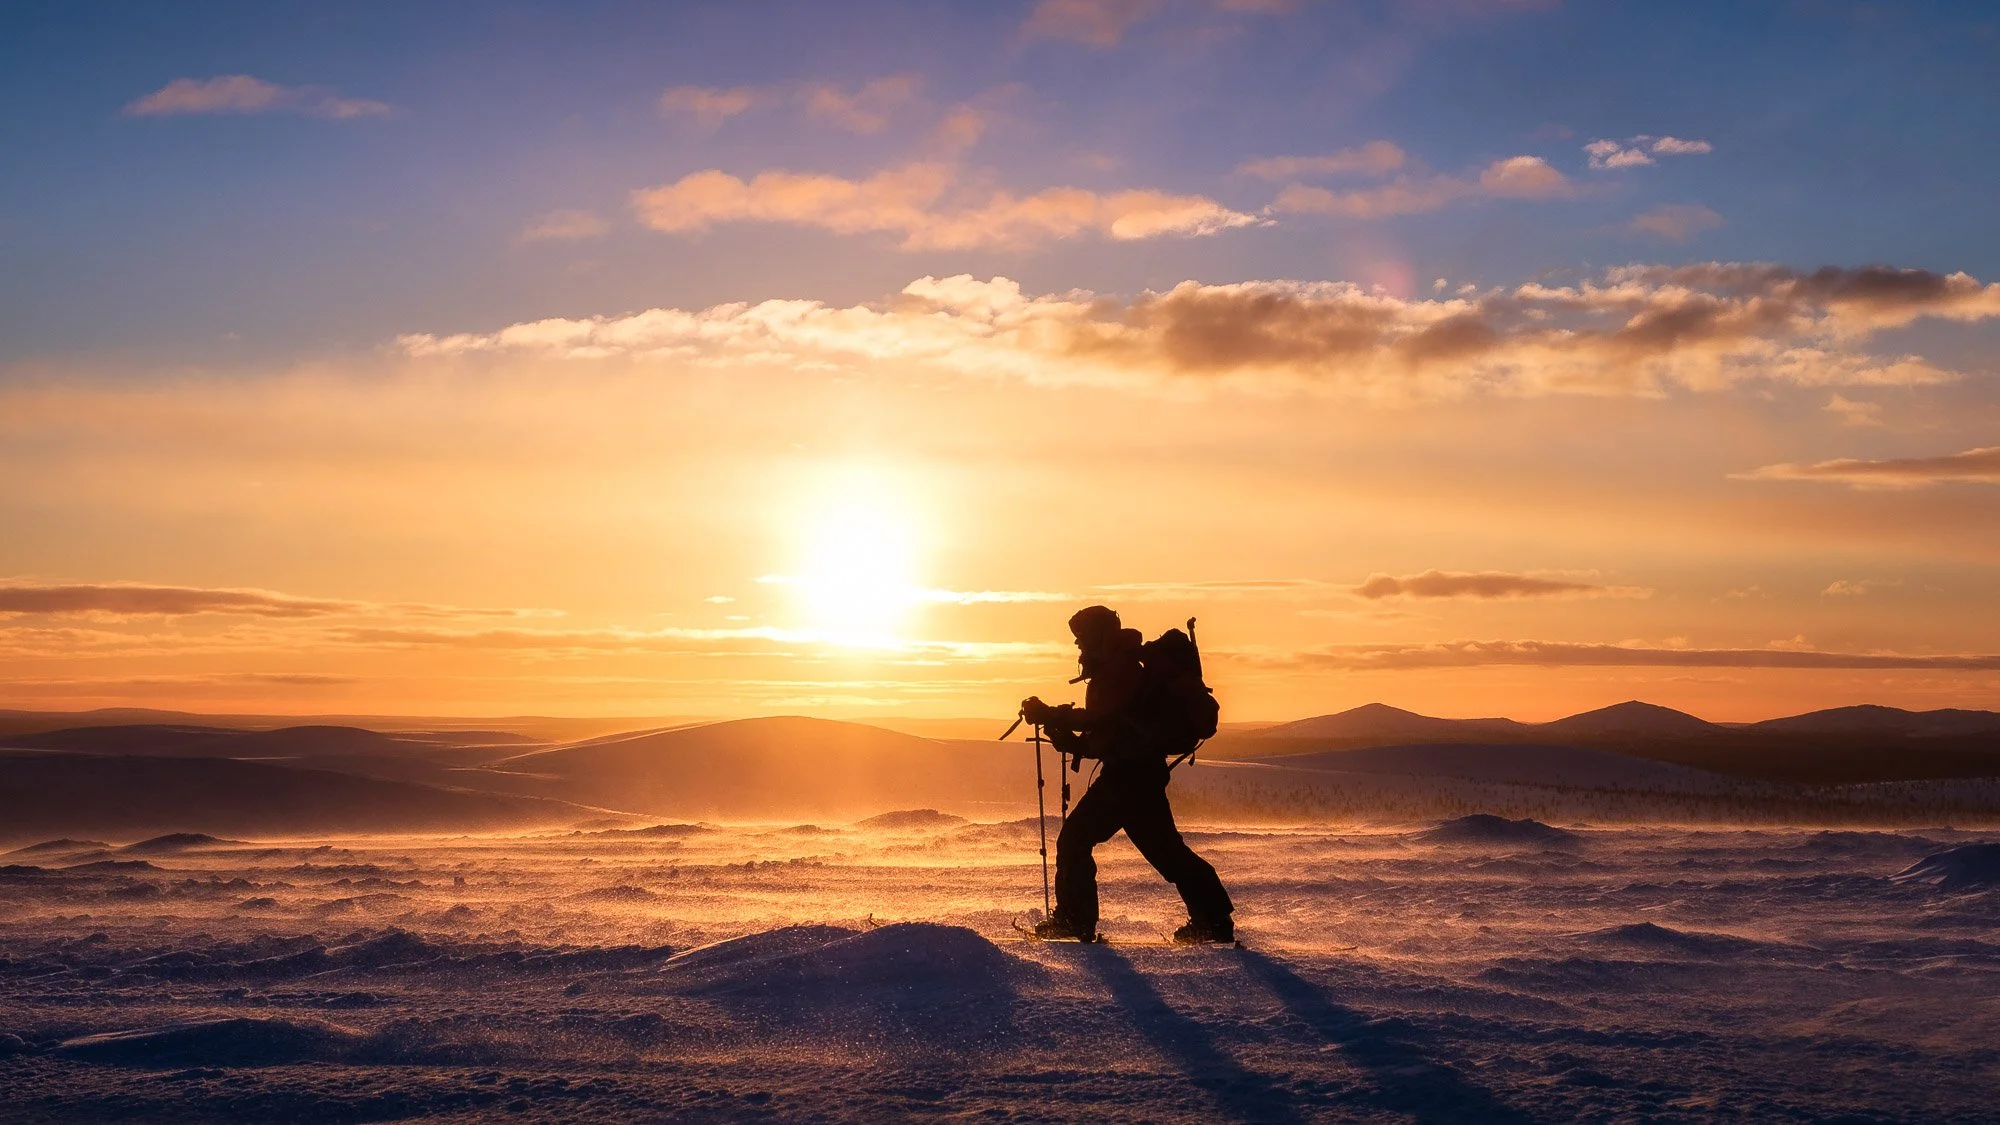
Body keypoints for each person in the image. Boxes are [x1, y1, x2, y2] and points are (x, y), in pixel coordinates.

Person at [1019, 604, 1235, 944]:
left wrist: (1054, 715)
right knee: (1167, 852)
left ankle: (1075, 920)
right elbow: (1112, 735)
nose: (1078, 646)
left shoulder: (1119, 670)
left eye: (1082, 638)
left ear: (1099, 636)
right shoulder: (1121, 668)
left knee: (1075, 839)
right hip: (1139, 774)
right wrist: (1068, 739)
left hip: (1129, 777)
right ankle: (1213, 919)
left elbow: (1102, 722)